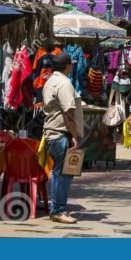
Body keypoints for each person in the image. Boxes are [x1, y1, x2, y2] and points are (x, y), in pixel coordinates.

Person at [42, 52, 82, 224]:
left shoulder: (50, 81)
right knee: (62, 174)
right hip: (60, 134)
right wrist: (74, 136)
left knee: (61, 173)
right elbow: (68, 112)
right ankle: (58, 211)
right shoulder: (64, 83)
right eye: (71, 64)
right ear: (67, 66)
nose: (72, 67)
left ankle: (57, 208)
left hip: (53, 133)